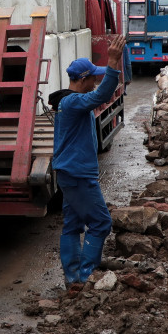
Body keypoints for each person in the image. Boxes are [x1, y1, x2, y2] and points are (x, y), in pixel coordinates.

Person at [53, 36, 126, 290]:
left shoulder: (68, 102)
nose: (96, 81)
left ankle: (73, 278)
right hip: (78, 175)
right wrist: (114, 61)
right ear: (83, 80)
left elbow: (99, 92)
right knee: (101, 222)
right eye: (93, 77)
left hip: (69, 172)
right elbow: (103, 95)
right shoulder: (73, 102)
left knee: (72, 224)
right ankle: (85, 276)